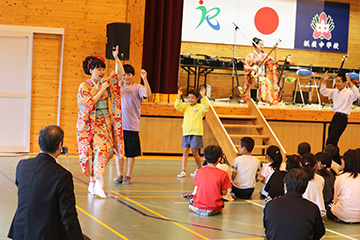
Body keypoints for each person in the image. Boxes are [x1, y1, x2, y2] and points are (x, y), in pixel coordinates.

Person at [8, 125, 85, 240]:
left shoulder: (22, 166)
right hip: (43, 234)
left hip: (19, 231)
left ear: (38, 142)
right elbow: (68, 216)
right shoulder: (63, 175)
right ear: (60, 145)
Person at [77, 46, 124, 197]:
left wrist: (116, 58)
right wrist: (102, 90)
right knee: (100, 149)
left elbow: (120, 75)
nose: (101, 72)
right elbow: (87, 104)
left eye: (103, 69)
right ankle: (99, 182)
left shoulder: (106, 82)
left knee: (108, 150)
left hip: (105, 123)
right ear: (91, 70)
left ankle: (92, 182)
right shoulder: (84, 86)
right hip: (91, 124)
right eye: (98, 69)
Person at [113, 64, 152, 185]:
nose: (126, 77)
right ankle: (120, 174)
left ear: (133, 76)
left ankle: (128, 176)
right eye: (124, 74)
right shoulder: (118, 87)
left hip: (131, 126)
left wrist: (145, 79)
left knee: (130, 153)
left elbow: (148, 94)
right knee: (119, 152)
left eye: (129, 74)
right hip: (119, 126)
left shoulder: (138, 88)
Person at [263, 169, 325, 240]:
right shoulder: (312, 208)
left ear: (285, 186)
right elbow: (320, 232)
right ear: (305, 188)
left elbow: (267, 228)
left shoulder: (271, 205)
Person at [175, 86, 209, 178]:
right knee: (185, 152)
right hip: (186, 132)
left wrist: (203, 96)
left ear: (197, 98)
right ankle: (183, 171)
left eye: (192, 97)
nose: (190, 99)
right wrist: (179, 95)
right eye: (189, 97)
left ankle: (199, 168)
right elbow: (177, 106)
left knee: (195, 153)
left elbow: (207, 107)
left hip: (196, 133)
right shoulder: (186, 107)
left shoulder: (200, 107)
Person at [189, 146, 232, 216]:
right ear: (219, 158)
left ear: (204, 158)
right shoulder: (223, 174)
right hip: (216, 208)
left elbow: (198, 188)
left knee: (190, 204)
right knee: (221, 207)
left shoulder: (199, 171)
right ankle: (211, 210)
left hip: (200, 207)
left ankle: (201, 211)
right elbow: (224, 193)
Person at [320, 71, 360, 146]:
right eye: (336, 81)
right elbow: (323, 91)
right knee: (331, 141)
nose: (336, 83)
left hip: (342, 119)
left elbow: (357, 95)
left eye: (339, 81)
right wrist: (324, 81)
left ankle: (334, 157)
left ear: (344, 83)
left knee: (331, 142)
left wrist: (350, 83)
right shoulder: (334, 92)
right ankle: (334, 157)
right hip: (335, 117)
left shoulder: (349, 93)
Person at [243, 37, 279, 104]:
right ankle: (262, 99)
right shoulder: (250, 56)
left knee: (266, 81)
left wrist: (275, 51)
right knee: (265, 81)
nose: (262, 46)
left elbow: (274, 61)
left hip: (262, 76)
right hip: (253, 76)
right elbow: (245, 67)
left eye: (263, 44)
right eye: (260, 44)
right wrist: (252, 68)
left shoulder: (264, 55)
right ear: (256, 45)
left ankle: (264, 99)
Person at [328, 149, 360, 223]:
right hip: (359, 216)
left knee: (329, 206)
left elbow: (335, 199)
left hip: (344, 215)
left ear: (346, 162)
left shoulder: (340, 178)